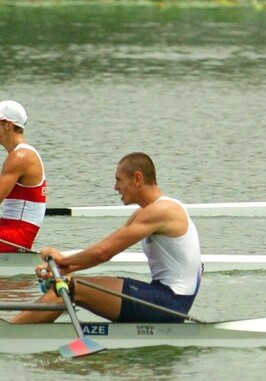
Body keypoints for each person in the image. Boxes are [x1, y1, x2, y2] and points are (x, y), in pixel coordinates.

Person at [12, 152, 202, 324]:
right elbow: (104, 249)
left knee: (68, 288)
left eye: (119, 180)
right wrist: (61, 269)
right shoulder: (144, 213)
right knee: (63, 283)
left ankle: (11, 333)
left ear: (137, 178)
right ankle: (25, 330)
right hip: (161, 295)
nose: (115, 187)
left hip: (170, 303)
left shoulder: (163, 211)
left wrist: (63, 260)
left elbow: (104, 252)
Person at [0, 100, 46, 252]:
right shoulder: (19, 155)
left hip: (16, 237)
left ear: (8, 125)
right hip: (7, 230)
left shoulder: (20, 157)